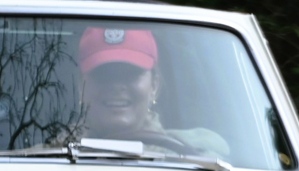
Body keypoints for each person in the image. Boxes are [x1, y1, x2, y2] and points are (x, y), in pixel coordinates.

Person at [75, 27, 229, 160]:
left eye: (131, 73)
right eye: (103, 74)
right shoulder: (59, 149)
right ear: (81, 86)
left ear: (154, 86)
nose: (116, 86)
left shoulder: (198, 157)